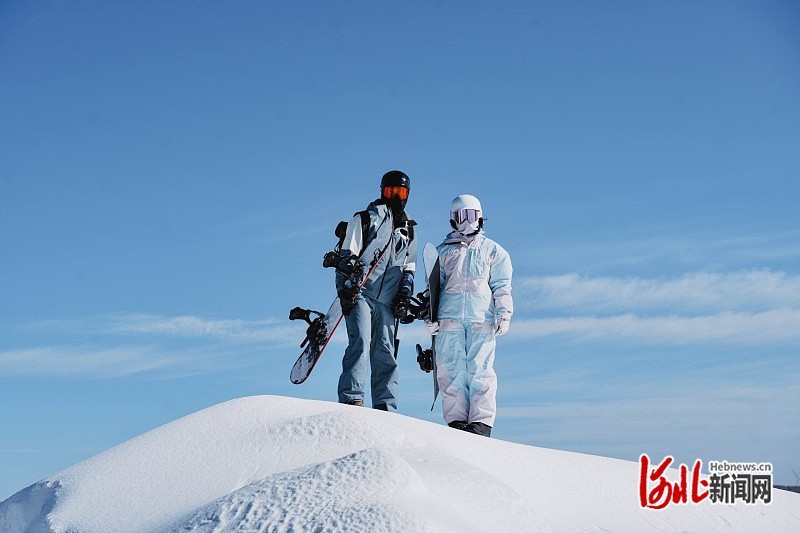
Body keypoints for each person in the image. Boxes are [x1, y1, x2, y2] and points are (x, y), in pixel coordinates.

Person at [426, 194, 512, 436]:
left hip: (481, 319)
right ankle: (456, 420)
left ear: (481, 217)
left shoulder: (493, 251)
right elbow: (433, 289)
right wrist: (431, 317)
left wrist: (504, 313)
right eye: (461, 216)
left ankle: (481, 422)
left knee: (480, 369)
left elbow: (502, 285)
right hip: (449, 319)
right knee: (451, 369)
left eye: (472, 215)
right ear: (452, 219)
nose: (467, 222)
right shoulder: (443, 252)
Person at [336, 170, 418, 411]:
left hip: (388, 300)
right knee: (360, 342)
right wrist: (345, 289)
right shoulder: (364, 219)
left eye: (400, 192)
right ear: (382, 192)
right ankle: (352, 396)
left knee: (385, 350)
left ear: (407, 195)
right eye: (391, 192)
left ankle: (385, 403)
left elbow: (409, 267)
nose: (396, 198)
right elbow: (346, 256)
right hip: (361, 293)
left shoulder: (409, 229)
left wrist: (404, 295)